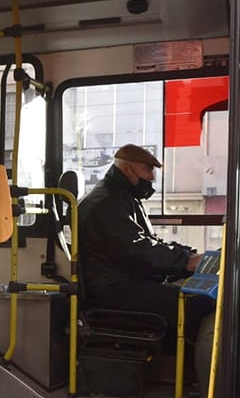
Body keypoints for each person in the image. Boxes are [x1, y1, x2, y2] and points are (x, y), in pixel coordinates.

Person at [77, 144, 215, 367]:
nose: (151, 177)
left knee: (187, 293)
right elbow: (137, 250)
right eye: (146, 170)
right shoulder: (107, 203)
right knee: (197, 305)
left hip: (124, 282)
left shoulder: (121, 197)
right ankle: (191, 372)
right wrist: (185, 262)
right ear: (127, 168)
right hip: (113, 291)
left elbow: (148, 243)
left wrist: (186, 255)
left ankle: (175, 367)